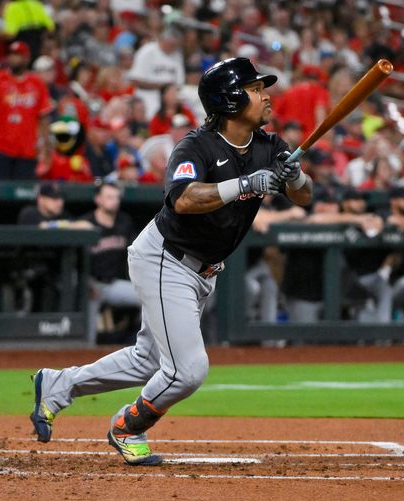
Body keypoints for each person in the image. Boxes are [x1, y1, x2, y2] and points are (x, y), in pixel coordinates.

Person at [29, 57, 312, 466]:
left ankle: (57, 385)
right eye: (254, 89)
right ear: (230, 100)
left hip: (204, 270)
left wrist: (296, 177)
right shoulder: (195, 146)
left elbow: (305, 197)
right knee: (188, 369)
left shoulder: (270, 146)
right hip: (166, 258)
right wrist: (246, 184)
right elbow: (183, 198)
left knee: (148, 360)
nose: (265, 95)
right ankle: (128, 425)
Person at [0, 41, 53, 179]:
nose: (13, 59)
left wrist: (47, 149)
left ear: (27, 58)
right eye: (11, 55)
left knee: (23, 195)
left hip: (27, 151)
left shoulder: (37, 84)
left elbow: (44, 118)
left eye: (18, 55)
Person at [79, 181, 141, 344]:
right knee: (88, 337)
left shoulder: (124, 221)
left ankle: (139, 344)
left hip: (113, 284)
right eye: (109, 197)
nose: (114, 200)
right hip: (90, 286)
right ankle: (85, 353)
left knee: (150, 296)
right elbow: (76, 262)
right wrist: (86, 283)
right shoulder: (85, 222)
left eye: (116, 197)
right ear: (98, 199)